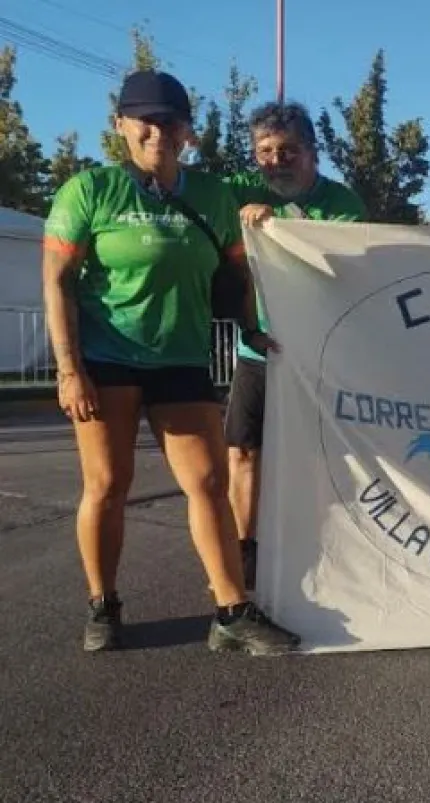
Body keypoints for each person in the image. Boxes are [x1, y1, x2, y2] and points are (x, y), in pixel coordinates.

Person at [42, 69, 300, 656]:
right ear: (121, 125)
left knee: (208, 483)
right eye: (146, 119)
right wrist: (68, 368)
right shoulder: (90, 190)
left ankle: (231, 612)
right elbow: (56, 282)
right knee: (108, 485)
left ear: (187, 130)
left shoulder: (211, 194)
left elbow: (238, 274)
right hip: (106, 360)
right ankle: (102, 603)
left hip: (180, 360)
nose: (158, 130)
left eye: (171, 121)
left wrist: (253, 325)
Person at [223, 101, 366, 588]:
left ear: (311, 152)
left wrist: (283, 226)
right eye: (264, 151)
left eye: (288, 150)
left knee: (317, 455)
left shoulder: (343, 203)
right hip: (256, 350)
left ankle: (316, 545)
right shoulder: (240, 192)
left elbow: (340, 268)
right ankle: (244, 547)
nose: (275, 160)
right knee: (242, 452)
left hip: (315, 352)